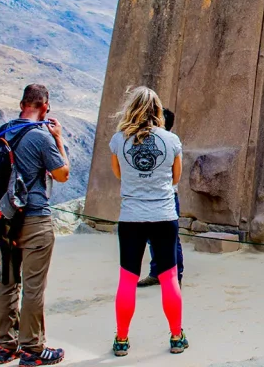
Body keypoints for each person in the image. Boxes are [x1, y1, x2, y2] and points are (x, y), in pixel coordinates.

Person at [0, 84, 70, 366]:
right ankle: (32, 349)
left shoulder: (1, 132)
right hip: (35, 218)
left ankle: (5, 345)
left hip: (6, 220)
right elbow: (62, 173)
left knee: (7, 282)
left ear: (21, 103)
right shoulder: (41, 136)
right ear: (45, 106)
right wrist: (58, 139)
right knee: (33, 287)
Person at [109, 86, 187, 357]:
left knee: (127, 279)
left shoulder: (119, 140)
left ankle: (121, 339)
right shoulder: (172, 140)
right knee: (169, 279)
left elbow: (119, 173)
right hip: (164, 215)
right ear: (157, 109)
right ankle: (176, 336)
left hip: (131, 217)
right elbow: (175, 178)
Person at [138, 108, 184, 288]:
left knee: (170, 239)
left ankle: (175, 276)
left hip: (165, 197)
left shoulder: (171, 144)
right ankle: (156, 272)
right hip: (150, 196)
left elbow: (175, 175)